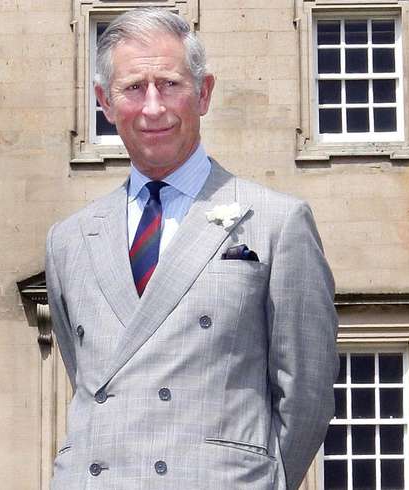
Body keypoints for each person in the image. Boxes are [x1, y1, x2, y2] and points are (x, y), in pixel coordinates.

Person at [45, 8, 338, 489]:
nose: (153, 107)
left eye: (170, 84)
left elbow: (307, 391)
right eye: (133, 88)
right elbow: (87, 375)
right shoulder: (68, 239)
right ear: (105, 103)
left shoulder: (276, 222)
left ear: (203, 93)